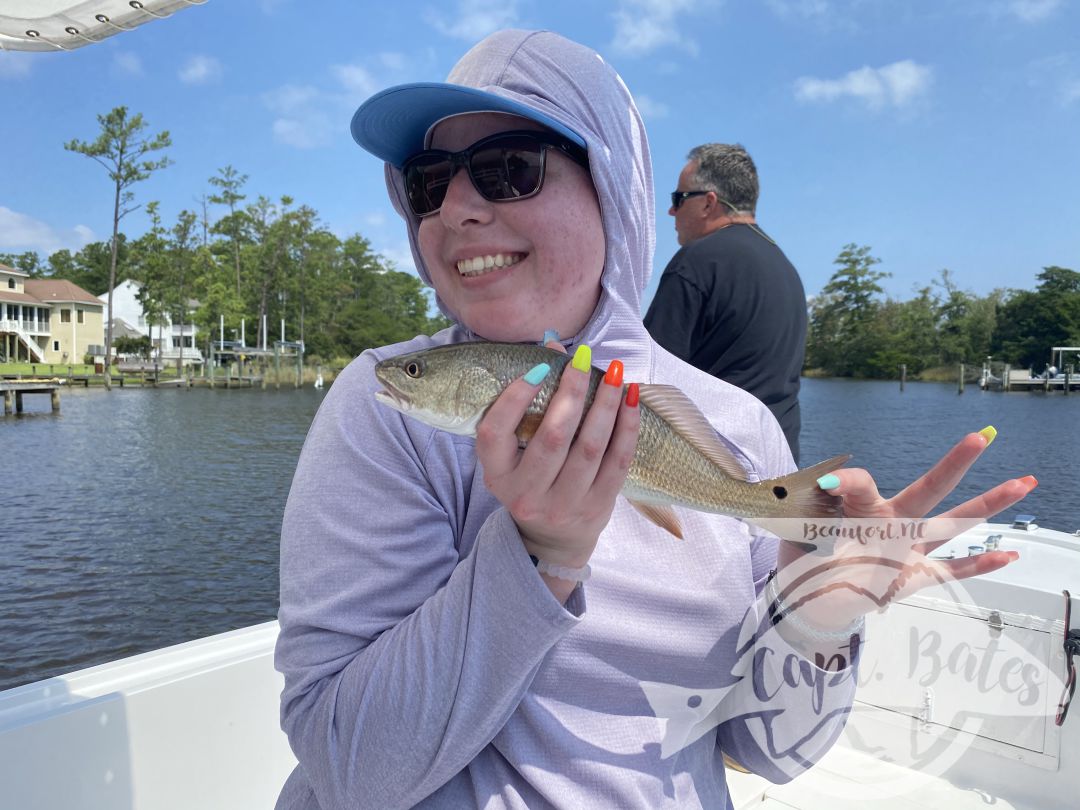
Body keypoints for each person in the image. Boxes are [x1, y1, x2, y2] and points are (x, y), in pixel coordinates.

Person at [274, 29, 1032, 810]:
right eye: (428, 182)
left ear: (613, 189)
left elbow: (765, 756)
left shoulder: (736, 423)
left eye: (510, 169)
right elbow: (348, 768)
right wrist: (541, 555)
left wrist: (817, 625)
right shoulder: (384, 406)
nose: (458, 209)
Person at [644, 144, 806, 463]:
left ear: (708, 202)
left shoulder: (695, 262)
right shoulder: (786, 268)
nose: (671, 212)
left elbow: (645, 377)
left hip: (716, 475)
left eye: (678, 199)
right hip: (780, 466)